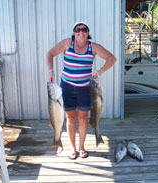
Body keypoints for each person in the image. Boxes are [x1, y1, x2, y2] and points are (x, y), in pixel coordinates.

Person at [46, 22, 116, 159]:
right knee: (70, 118)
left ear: (88, 32)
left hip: (85, 88)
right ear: (74, 32)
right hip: (66, 87)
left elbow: (112, 58)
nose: (81, 32)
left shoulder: (93, 46)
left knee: (83, 119)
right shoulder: (67, 43)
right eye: (77, 29)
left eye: (84, 29)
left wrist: (100, 71)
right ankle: (73, 149)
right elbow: (50, 53)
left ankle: (82, 147)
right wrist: (50, 71)